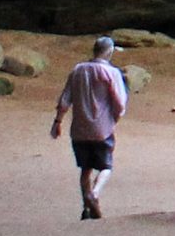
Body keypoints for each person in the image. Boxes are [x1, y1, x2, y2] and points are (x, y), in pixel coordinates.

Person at [52, 35, 131, 219]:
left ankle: (86, 208)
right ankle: (94, 194)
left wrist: (58, 121)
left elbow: (65, 99)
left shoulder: (78, 70)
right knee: (106, 166)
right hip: (102, 129)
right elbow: (120, 103)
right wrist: (115, 118)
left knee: (85, 169)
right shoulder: (111, 73)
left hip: (79, 129)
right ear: (109, 52)